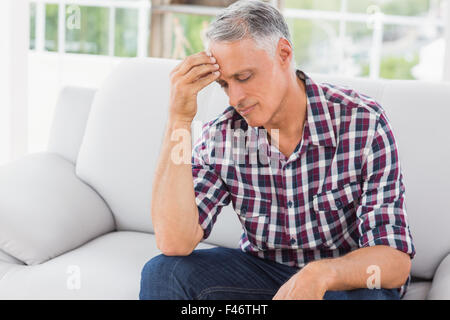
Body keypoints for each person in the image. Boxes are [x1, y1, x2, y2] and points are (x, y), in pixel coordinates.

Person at [140, 0, 415, 300]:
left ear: (284, 53)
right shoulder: (223, 136)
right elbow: (174, 242)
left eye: (244, 77)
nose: (235, 97)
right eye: (224, 85)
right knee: (163, 273)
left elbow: (395, 262)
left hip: (343, 283)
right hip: (264, 275)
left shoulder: (362, 123)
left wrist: (319, 274)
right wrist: (179, 119)